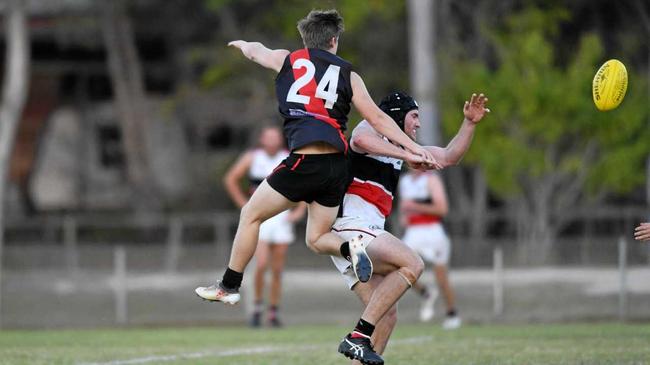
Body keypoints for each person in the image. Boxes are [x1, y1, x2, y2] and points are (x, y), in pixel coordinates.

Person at [195, 8, 436, 348]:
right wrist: (411, 148)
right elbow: (380, 119)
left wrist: (243, 44)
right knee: (316, 237)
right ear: (334, 41)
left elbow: (257, 50)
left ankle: (229, 285)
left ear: (305, 40)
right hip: (336, 169)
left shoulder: (288, 60)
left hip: (304, 160)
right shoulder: (349, 74)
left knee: (250, 214)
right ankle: (350, 248)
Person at [331, 91, 489, 364]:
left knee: (387, 316)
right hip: (351, 230)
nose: (417, 124)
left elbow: (450, 156)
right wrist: (406, 152)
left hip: (363, 238)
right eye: (414, 116)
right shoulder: (371, 127)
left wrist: (470, 124)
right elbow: (359, 139)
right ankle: (358, 335)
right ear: (396, 115)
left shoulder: (404, 147)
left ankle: (360, 339)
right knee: (413, 264)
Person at [223, 126, 306, 327]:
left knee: (277, 269)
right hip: (260, 217)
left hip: (281, 218)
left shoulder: (289, 157)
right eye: (268, 137)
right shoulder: (252, 157)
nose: (271, 141)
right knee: (260, 265)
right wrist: (244, 205)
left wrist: (299, 211)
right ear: (261, 139)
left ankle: (273, 311)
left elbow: (305, 184)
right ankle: (257, 307)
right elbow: (231, 179)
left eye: (275, 137)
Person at [399, 169, 461, 329]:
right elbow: (403, 207)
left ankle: (452, 313)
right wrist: (404, 216)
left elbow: (442, 208)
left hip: (433, 230)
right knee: (399, 267)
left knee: (441, 277)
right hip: (413, 231)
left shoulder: (431, 179)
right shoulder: (405, 181)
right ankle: (426, 292)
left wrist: (414, 206)